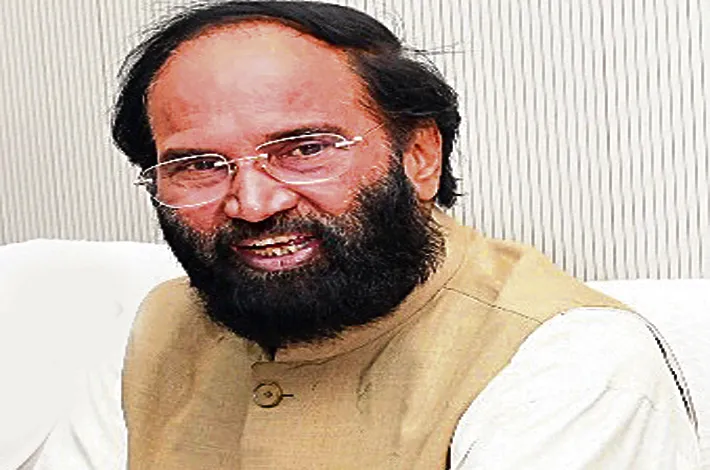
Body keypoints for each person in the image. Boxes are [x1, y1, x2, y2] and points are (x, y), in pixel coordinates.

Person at [112, 1, 700, 468]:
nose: (254, 203)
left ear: (419, 155)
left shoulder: (569, 364)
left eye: (306, 149)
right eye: (199, 165)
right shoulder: (170, 319)